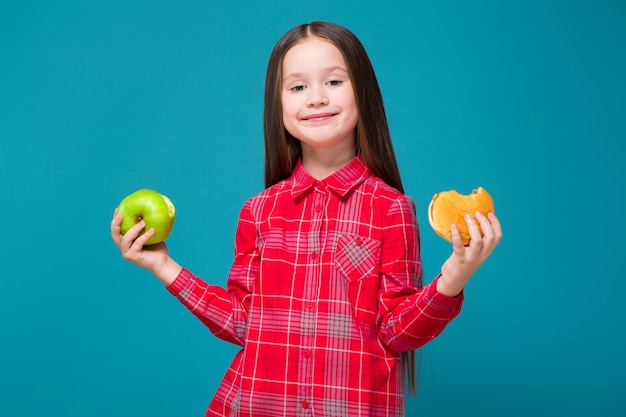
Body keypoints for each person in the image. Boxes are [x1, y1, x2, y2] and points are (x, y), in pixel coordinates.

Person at [111, 21, 502, 417]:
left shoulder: (391, 208)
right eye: (297, 87)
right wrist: (163, 265)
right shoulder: (258, 211)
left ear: (363, 93)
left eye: (333, 82)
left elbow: (395, 332)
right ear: (277, 106)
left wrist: (454, 276)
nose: (316, 98)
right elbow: (243, 323)